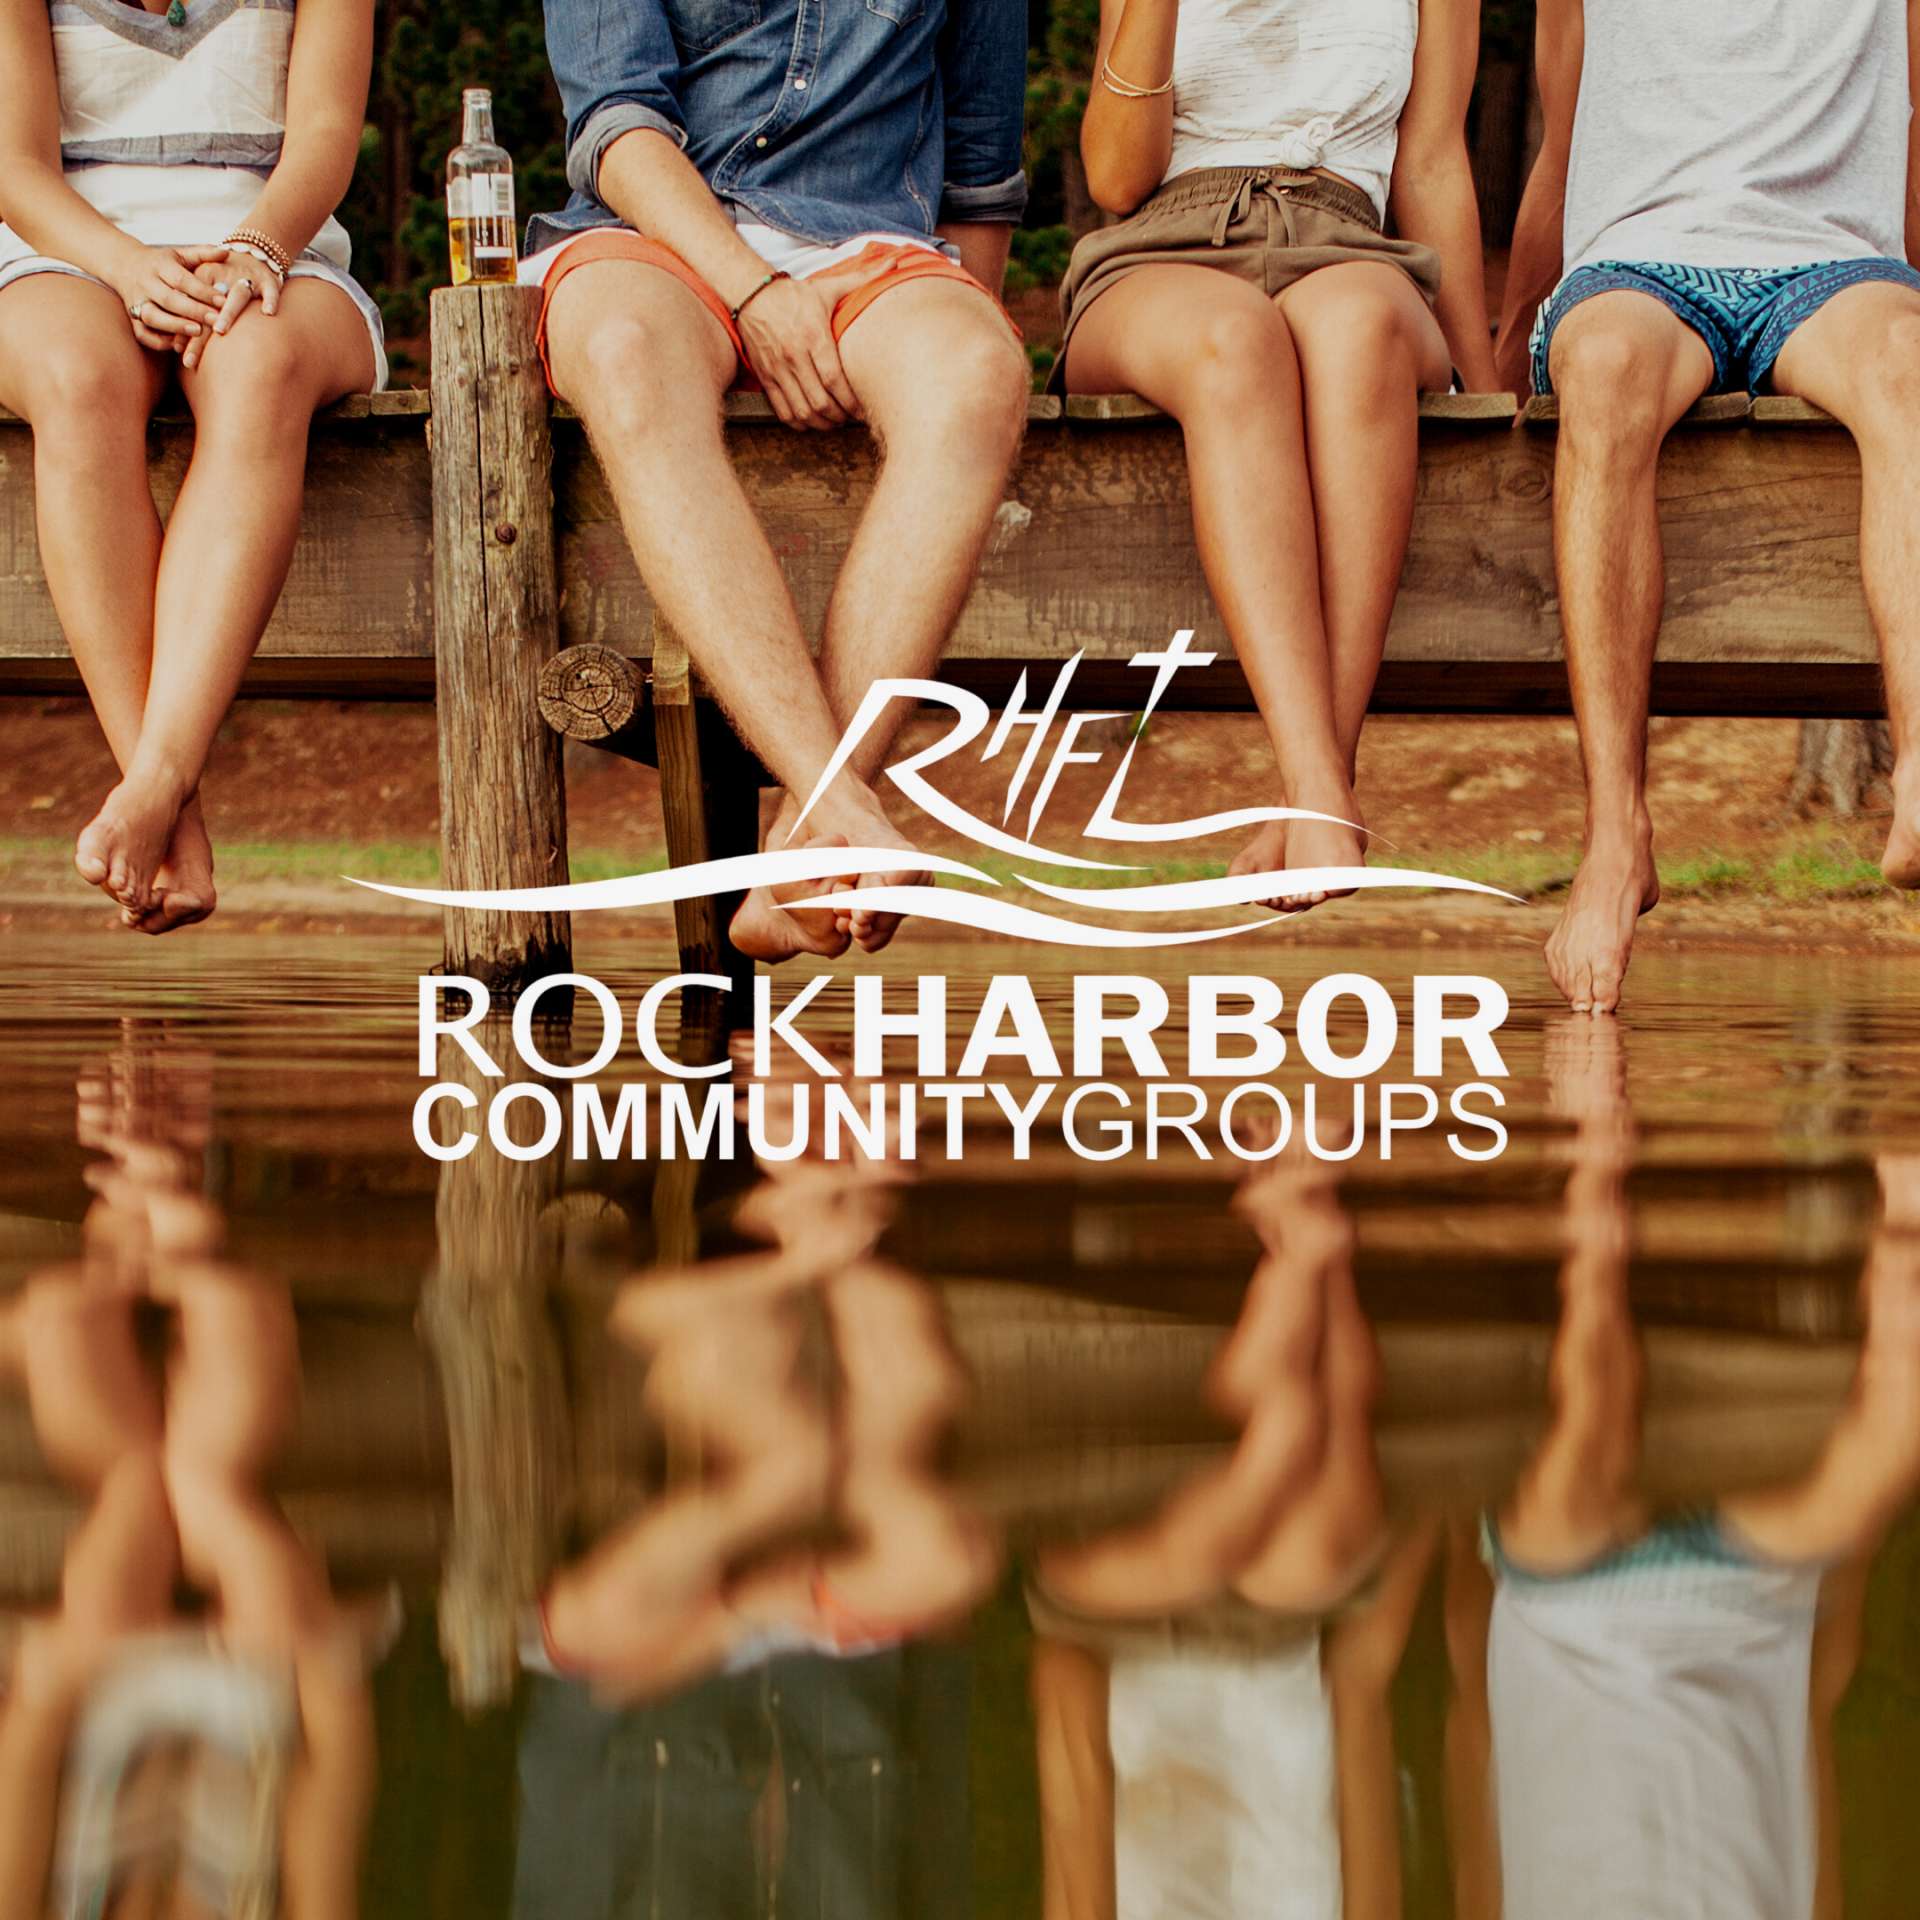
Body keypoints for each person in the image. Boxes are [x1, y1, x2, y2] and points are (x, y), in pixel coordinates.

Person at [529, 0, 1031, 961]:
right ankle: (836, 810)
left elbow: (978, 170)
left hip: (866, 243)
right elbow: (615, 125)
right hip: (652, 235)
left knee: (975, 374)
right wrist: (753, 292)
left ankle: (802, 845)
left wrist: (941, 330)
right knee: (627, 353)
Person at [1496, 0, 1920, 1012]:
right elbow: (1560, 133)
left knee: (1909, 360)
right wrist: (1508, 337)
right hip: (1637, 265)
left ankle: (1917, 775)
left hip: (1832, 263)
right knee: (1598, 367)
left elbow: (1912, 128)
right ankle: (1616, 834)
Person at [1054, 0, 1498, 911]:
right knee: (1236, 337)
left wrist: (1491, 396)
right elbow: (1114, 174)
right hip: (1162, 249)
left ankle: (1311, 789)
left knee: (1362, 329)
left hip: (1349, 239)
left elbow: (1432, 159)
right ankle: (1323, 789)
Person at [0, 0, 386, 935]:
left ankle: (157, 783)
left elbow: (327, 138)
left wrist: (257, 248)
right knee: (77, 376)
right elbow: (14, 167)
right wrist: (129, 267)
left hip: (274, 255)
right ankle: (169, 801)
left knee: (257, 364)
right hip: (71, 254)